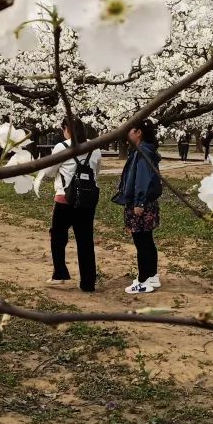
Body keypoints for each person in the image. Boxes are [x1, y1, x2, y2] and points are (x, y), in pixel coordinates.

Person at [41, 116, 101, 292]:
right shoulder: (94, 148)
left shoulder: (62, 147)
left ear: (67, 129)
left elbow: (51, 172)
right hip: (86, 202)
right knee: (85, 241)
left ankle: (59, 273)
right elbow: (97, 171)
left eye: (63, 129)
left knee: (58, 237)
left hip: (65, 200)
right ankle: (88, 282)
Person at [115, 119, 163, 294]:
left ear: (139, 132)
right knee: (147, 241)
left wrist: (139, 202)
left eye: (131, 131)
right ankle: (152, 275)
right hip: (147, 202)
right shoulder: (147, 150)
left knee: (141, 242)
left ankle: (143, 280)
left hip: (141, 203)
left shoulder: (142, 152)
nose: (128, 134)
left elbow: (142, 179)